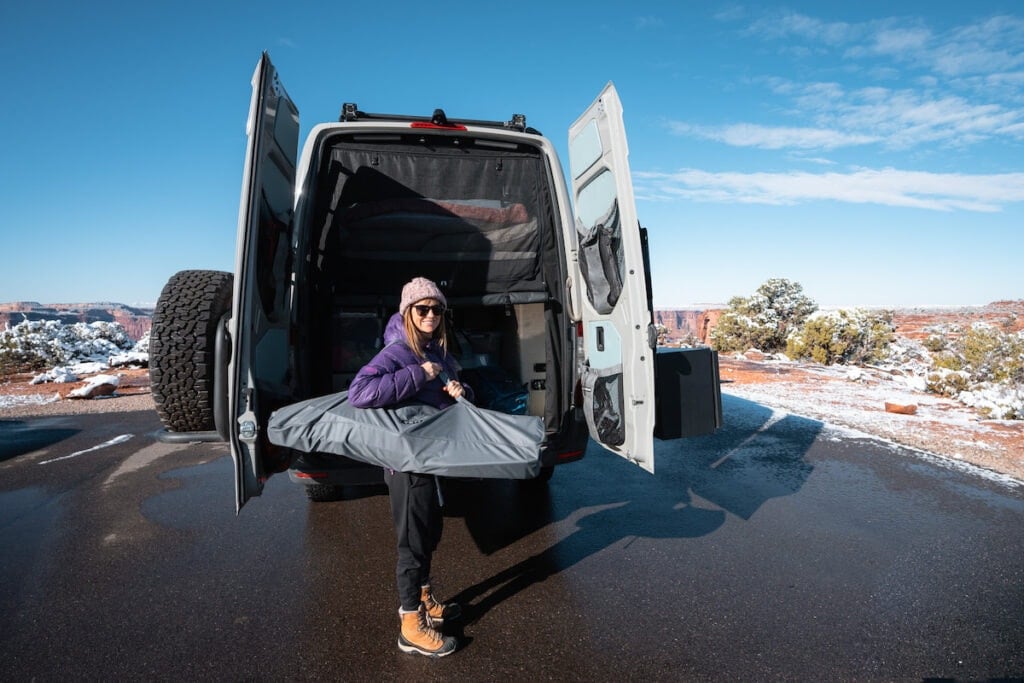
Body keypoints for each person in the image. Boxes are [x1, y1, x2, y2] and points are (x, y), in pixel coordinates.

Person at [348, 277, 470, 658]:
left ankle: (424, 597)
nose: (431, 315)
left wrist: (460, 393)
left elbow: (454, 403)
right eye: (422, 309)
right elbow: (360, 392)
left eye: (436, 309)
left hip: (431, 459)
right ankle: (410, 625)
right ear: (408, 313)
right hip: (406, 463)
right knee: (411, 543)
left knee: (429, 530)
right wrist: (420, 374)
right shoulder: (398, 352)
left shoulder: (439, 351)